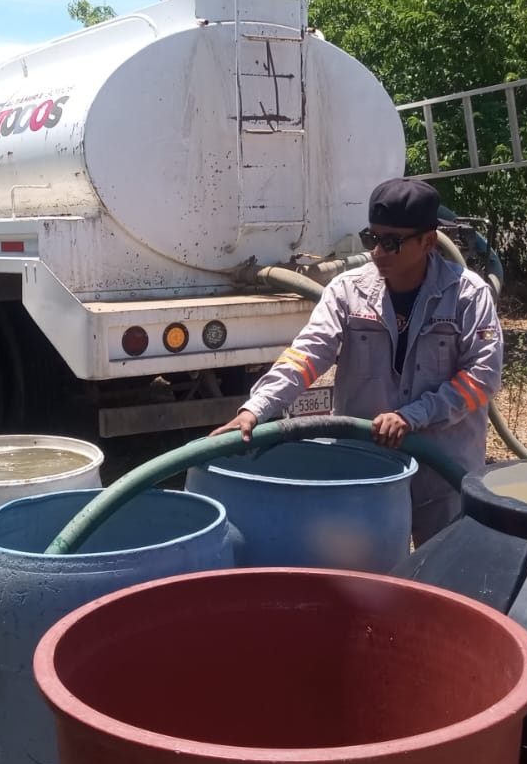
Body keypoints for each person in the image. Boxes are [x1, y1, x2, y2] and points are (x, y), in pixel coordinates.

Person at [211, 177, 504, 546]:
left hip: (443, 466)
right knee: (369, 575)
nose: (378, 252)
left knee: (440, 569)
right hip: (368, 467)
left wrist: (412, 416)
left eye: (392, 242)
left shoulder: (467, 295)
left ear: (428, 242)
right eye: (372, 239)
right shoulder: (348, 291)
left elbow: (481, 379)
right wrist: (257, 408)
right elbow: (307, 353)